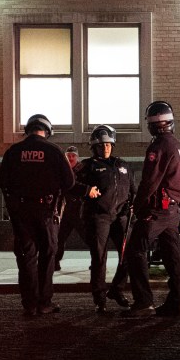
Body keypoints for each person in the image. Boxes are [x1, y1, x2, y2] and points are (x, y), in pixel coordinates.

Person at [0, 114, 75, 317]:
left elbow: (0, 179)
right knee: (48, 255)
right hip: (46, 211)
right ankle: (44, 302)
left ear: (27, 130)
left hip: (21, 212)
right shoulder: (53, 150)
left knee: (26, 256)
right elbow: (70, 182)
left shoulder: (14, 151)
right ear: (47, 131)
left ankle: (29, 304)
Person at [121, 102, 180, 318]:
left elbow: (150, 181)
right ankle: (176, 302)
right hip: (173, 210)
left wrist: (138, 205)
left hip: (157, 211)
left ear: (152, 124)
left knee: (135, 250)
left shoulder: (158, 147)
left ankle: (143, 302)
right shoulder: (179, 145)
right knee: (172, 256)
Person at [72, 125, 135, 313]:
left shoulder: (123, 165)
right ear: (94, 147)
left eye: (108, 144)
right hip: (98, 217)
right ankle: (100, 298)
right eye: (101, 145)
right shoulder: (87, 166)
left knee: (129, 254)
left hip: (121, 216)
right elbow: (69, 184)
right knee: (99, 258)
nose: (106, 148)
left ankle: (117, 289)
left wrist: (132, 204)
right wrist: (85, 190)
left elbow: (133, 190)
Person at [55, 146, 83, 272]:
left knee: (89, 237)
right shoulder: (62, 171)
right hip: (66, 210)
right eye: (69, 155)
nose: (71, 158)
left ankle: (96, 262)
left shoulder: (83, 171)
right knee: (60, 238)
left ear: (77, 157)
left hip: (80, 210)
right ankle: (55, 261)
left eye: (73, 156)